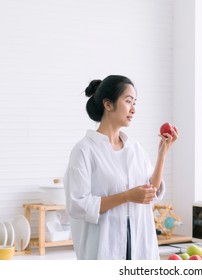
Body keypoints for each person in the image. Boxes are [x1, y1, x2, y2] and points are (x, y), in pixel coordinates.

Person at [63, 75, 178, 260]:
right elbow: (78, 205)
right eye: (128, 101)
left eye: (135, 103)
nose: (133, 109)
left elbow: (151, 193)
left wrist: (162, 155)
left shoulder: (135, 149)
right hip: (104, 249)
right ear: (108, 105)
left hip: (140, 247)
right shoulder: (84, 151)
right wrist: (126, 196)